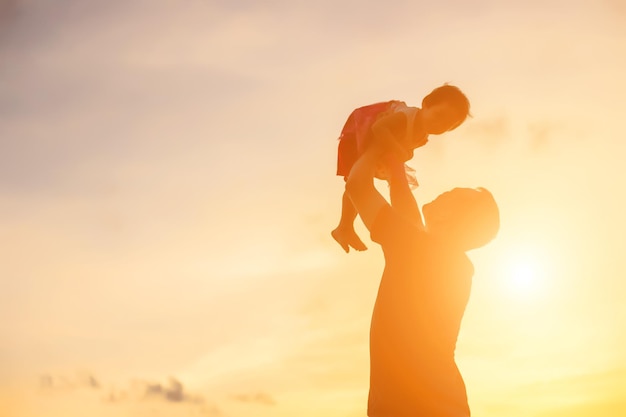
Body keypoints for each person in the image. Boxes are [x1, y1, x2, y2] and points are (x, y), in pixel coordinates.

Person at [343, 134, 500, 416]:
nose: (447, 191)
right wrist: (393, 165)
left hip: (415, 407)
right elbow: (406, 210)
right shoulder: (443, 259)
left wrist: (378, 140)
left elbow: (357, 186)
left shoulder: (418, 251)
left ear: (454, 222)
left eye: (456, 195)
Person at [332, 84, 471, 253]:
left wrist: (403, 153)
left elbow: (406, 150)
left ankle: (345, 226)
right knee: (356, 179)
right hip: (361, 132)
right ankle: (344, 226)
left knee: (366, 182)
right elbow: (379, 128)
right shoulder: (406, 117)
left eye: (446, 125)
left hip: (380, 146)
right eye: (438, 115)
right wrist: (399, 150)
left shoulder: (423, 136)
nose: (438, 125)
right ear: (426, 104)